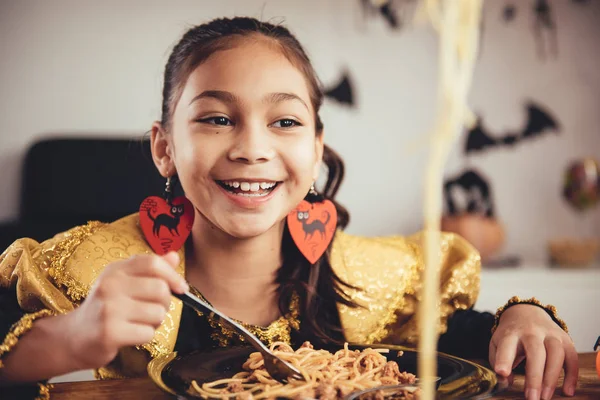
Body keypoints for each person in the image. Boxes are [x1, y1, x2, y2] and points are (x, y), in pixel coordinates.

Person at [0, 17, 577, 400]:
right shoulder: (92, 268)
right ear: (164, 147)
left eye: (285, 122)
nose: (253, 148)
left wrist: (524, 316)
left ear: (316, 149)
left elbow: (467, 338)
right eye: (217, 118)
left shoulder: (372, 281)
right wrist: (73, 337)